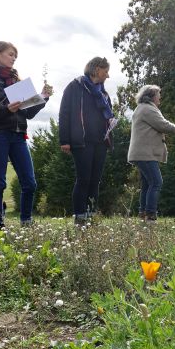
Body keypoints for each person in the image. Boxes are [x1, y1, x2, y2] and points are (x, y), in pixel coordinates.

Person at [0, 41, 52, 227]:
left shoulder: (17, 80)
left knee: (30, 183)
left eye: (15, 56)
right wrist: (6, 109)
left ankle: (26, 222)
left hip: (18, 135)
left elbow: (28, 113)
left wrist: (43, 98)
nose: (13, 58)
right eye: (10, 54)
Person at [59, 57, 114, 224]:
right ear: (97, 69)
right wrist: (64, 140)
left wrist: (111, 123)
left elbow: (108, 114)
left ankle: (90, 215)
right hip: (81, 141)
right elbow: (64, 113)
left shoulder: (103, 92)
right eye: (106, 71)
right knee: (83, 179)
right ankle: (79, 217)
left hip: (101, 141)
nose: (108, 76)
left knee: (95, 180)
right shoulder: (74, 87)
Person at [128, 85, 175, 221]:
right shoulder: (148, 109)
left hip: (141, 153)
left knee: (147, 184)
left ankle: (143, 212)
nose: (160, 97)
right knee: (156, 182)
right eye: (158, 94)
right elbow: (164, 125)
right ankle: (150, 214)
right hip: (145, 153)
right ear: (152, 96)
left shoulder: (141, 108)